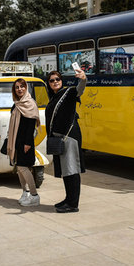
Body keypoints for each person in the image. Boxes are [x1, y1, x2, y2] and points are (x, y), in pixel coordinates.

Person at [45, 68, 87, 213]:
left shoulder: (68, 93)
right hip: (59, 138)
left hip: (69, 137)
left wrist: (83, 79)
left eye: (57, 79)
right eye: (52, 80)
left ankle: (73, 204)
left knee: (72, 170)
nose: (55, 82)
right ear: (48, 84)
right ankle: (68, 199)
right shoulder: (54, 98)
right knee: (66, 170)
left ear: (61, 81)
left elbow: (79, 90)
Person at [5, 78, 41, 207]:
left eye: (22, 86)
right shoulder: (17, 103)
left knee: (23, 168)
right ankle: (25, 193)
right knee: (19, 169)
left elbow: (31, 126)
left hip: (26, 142)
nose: (20, 89)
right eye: (17, 87)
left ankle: (34, 195)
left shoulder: (30, 103)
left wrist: (27, 143)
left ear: (26, 88)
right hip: (16, 140)